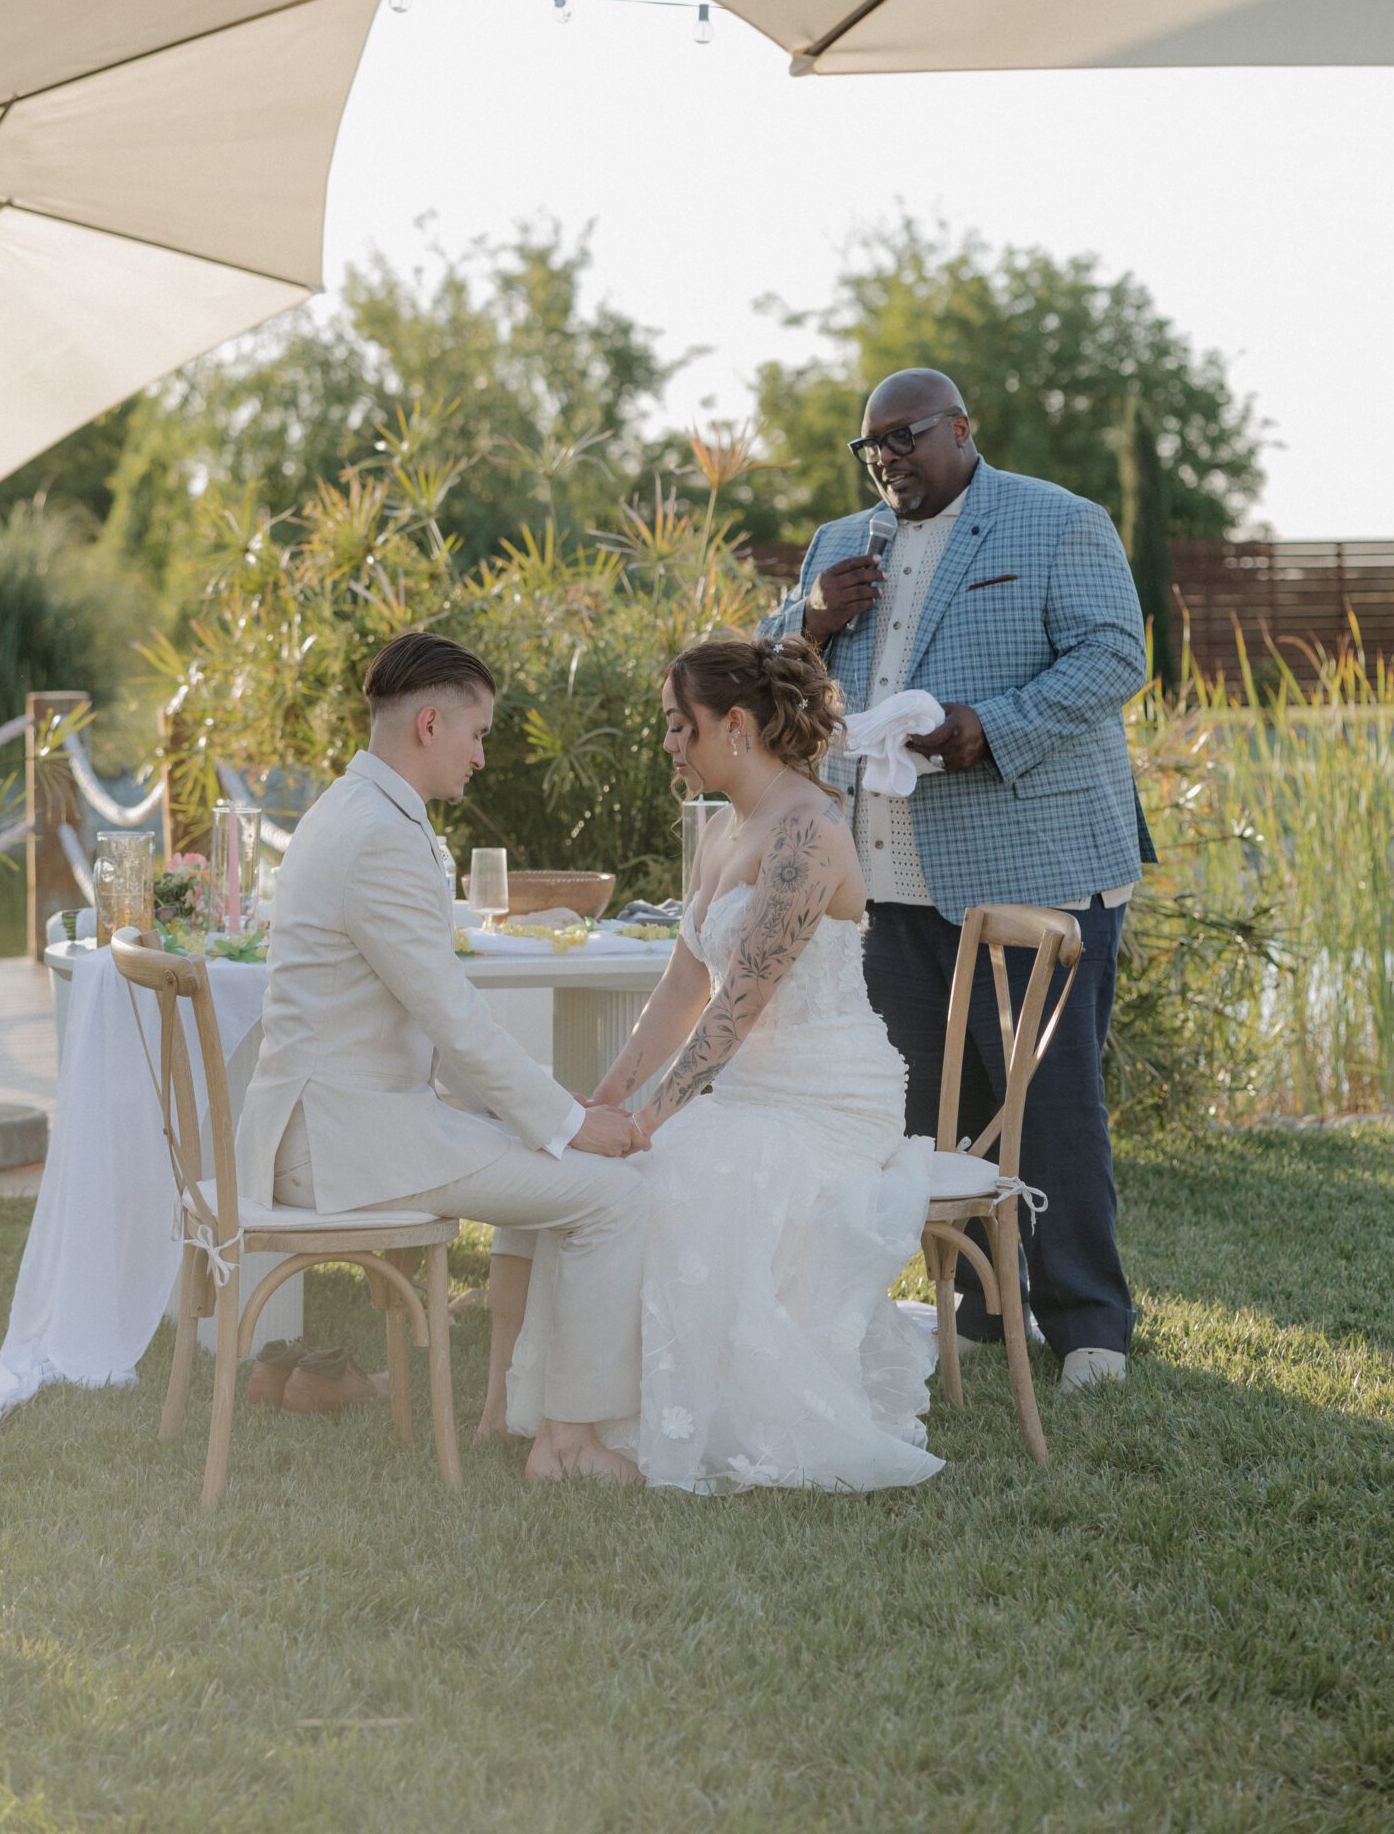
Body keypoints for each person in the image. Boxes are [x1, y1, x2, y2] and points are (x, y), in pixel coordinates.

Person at [765, 367, 1150, 1390]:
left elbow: (1115, 656)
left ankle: (1091, 1332)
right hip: (886, 879)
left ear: (961, 430)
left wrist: (991, 727)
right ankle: (981, 1307)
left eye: (908, 436)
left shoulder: (1058, 522)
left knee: (1047, 1106)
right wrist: (807, 622)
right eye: (873, 445)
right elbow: (758, 678)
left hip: (1036, 870)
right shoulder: (841, 546)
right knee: (927, 1110)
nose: (890, 457)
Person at [505, 634, 942, 1495]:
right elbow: (682, 984)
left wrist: (644, 1125)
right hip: (749, 1089)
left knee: (675, 1186)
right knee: (609, 1181)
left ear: (734, 723)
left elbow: (734, 1009)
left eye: (680, 725)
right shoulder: (717, 830)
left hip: (827, 1097)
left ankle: (608, 1429)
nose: (669, 743)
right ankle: (578, 1421)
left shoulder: (807, 837)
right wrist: (599, 1102)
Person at [234, 631, 650, 1483]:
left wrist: (541, 1115)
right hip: (348, 1146)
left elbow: (431, 1020)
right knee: (615, 1195)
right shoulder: (379, 837)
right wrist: (570, 1123)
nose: (483, 755)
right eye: (479, 732)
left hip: (342, 1126)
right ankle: (567, 1440)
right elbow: (453, 1018)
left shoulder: (348, 809)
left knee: (551, 1155)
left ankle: (511, 1410)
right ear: (430, 724)